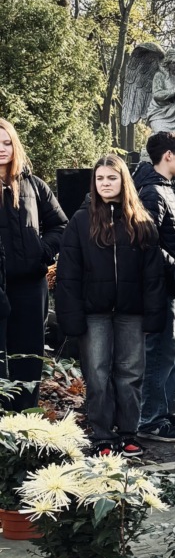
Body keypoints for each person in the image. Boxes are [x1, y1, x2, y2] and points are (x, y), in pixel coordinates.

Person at [56, 154, 168, 456]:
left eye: (112, 178)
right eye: (100, 178)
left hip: (131, 312)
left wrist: (154, 314)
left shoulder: (140, 221)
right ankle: (103, 435)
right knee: (97, 374)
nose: (105, 184)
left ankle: (129, 433)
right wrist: (71, 316)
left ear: (123, 181)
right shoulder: (81, 221)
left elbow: (153, 275)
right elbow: (68, 273)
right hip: (95, 313)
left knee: (131, 375)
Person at [0, 118, 67, 404]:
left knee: (28, 356)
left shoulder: (34, 185)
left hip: (30, 286)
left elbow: (60, 225)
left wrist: (41, 252)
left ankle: (25, 418)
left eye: (7, 142)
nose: (2, 149)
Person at [133, 130, 175, 439]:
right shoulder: (152, 192)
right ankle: (151, 420)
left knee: (169, 351)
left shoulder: (161, 187)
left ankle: (162, 413)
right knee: (158, 353)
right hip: (158, 287)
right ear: (168, 156)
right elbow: (147, 244)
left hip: (167, 286)